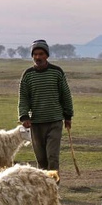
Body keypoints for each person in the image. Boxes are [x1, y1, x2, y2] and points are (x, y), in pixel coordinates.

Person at [18, 39, 74, 171]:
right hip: (36, 123)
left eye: (41, 54)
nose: (38, 57)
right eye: (35, 54)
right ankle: (44, 188)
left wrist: (68, 116)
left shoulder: (56, 72)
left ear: (47, 55)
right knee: (41, 160)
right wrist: (24, 116)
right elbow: (24, 97)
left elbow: (65, 94)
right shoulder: (28, 75)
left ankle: (54, 186)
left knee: (52, 157)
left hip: (54, 121)